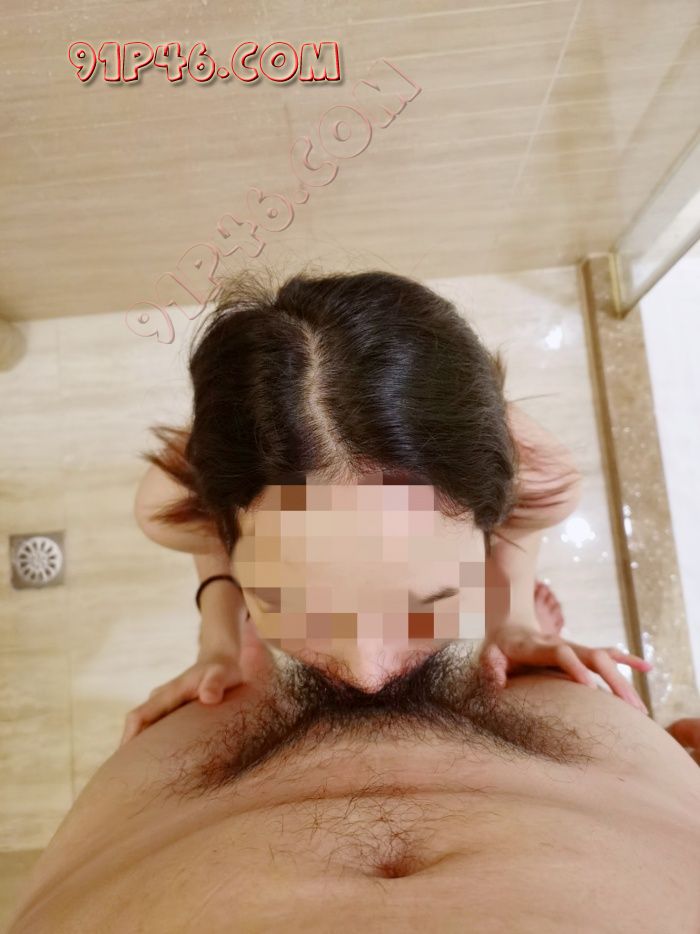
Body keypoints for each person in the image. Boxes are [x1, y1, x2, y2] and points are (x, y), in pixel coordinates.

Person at [8, 270, 700, 933]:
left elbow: (523, 521)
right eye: (291, 602)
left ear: (490, 518)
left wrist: (513, 619)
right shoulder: (172, 503)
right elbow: (212, 544)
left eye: (425, 601)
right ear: (225, 526)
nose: (368, 674)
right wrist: (217, 640)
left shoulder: (538, 471)